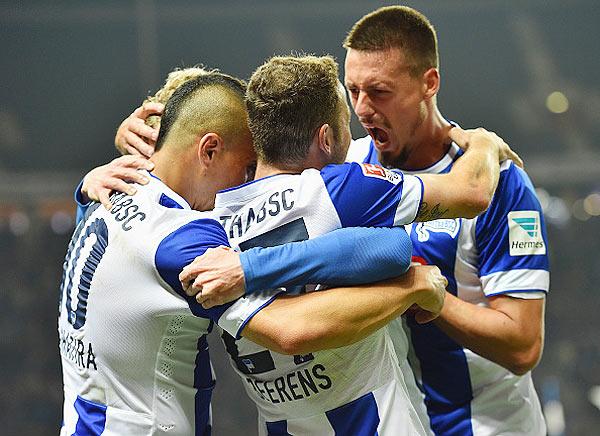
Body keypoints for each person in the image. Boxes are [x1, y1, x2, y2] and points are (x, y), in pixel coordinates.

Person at [59, 71, 447, 435]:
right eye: (247, 166)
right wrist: (411, 288)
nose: (245, 185)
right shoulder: (180, 238)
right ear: (208, 149)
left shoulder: (103, 194)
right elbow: (293, 330)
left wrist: (85, 183)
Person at [171, 54, 519, 435]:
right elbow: (470, 194)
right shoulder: (339, 189)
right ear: (326, 138)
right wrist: (485, 144)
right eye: (345, 127)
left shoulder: (203, 225)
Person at [340, 6, 549, 435]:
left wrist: (421, 293)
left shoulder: (503, 184)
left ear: (428, 84)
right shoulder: (347, 170)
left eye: (379, 92)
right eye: (353, 90)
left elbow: (523, 344)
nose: (361, 109)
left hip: (488, 425)